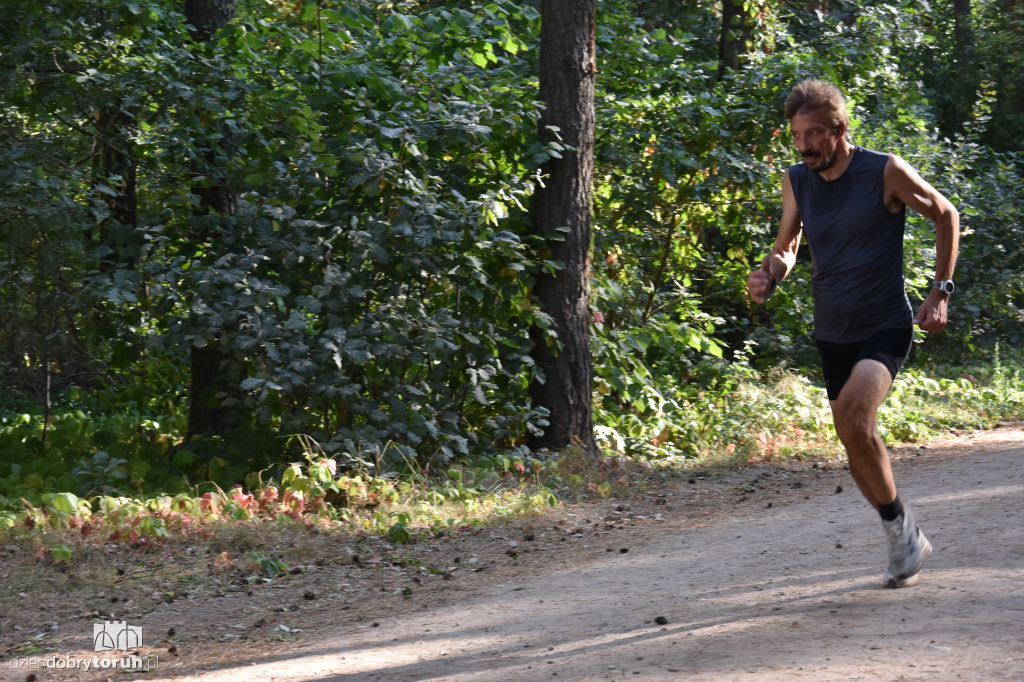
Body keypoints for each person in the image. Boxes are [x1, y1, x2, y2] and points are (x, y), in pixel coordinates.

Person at [747, 78, 959, 588]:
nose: (805, 145)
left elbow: (945, 213)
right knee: (852, 436)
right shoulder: (797, 179)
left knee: (855, 416)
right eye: (798, 136)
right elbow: (789, 246)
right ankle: (900, 527)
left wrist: (940, 291)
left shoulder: (882, 170)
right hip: (831, 330)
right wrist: (770, 272)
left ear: (840, 129)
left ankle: (902, 532)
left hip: (884, 321)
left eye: (815, 133)